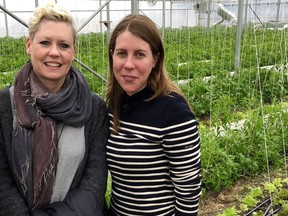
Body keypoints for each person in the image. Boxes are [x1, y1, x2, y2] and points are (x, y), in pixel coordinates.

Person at [0, 3, 108, 216]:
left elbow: (94, 181)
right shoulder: (5, 103)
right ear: (29, 45)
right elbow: (2, 180)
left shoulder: (94, 107)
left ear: (74, 51)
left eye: (64, 45)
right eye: (45, 42)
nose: (54, 52)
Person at [106, 14, 202, 216]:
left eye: (139, 54)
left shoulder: (173, 112)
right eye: (122, 53)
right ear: (112, 55)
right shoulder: (113, 104)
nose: (129, 64)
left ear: (155, 59)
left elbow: (188, 191)